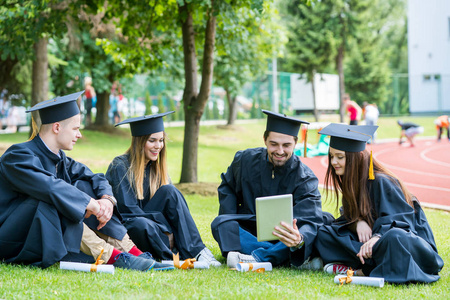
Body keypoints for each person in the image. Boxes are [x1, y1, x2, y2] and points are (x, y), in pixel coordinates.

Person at [0, 91, 173, 272]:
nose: (80, 134)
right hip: (13, 239)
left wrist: (106, 199)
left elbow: (95, 177)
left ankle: (131, 251)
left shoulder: (60, 159)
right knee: (54, 199)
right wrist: (91, 204)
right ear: (57, 128)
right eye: (75, 129)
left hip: (43, 236)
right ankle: (111, 256)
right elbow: (49, 186)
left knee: (84, 185)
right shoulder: (17, 156)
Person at [314, 123, 444, 283]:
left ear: (356, 157)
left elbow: (403, 222)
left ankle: (363, 271)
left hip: (411, 247)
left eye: (340, 157)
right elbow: (347, 213)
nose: (334, 162)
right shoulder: (352, 182)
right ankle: (371, 265)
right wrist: (358, 222)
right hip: (376, 248)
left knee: (393, 237)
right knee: (325, 232)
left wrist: (377, 237)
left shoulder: (383, 182)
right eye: (331, 156)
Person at [211, 110, 325, 269]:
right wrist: (231, 217)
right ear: (265, 140)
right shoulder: (244, 160)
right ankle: (285, 259)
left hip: (285, 236)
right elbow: (227, 187)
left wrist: (298, 238)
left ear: (295, 142)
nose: (280, 151)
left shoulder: (305, 177)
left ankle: (258, 257)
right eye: (274, 144)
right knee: (221, 223)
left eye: (286, 145)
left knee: (322, 222)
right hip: (251, 228)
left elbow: (309, 217)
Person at [106, 112, 221, 267]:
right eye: (152, 140)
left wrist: (163, 228)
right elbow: (129, 213)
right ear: (140, 142)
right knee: (141, 225)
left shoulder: (156, 168)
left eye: (161, 140)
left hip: (155, 229)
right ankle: (173, 254)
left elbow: (173, 208)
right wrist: (166, 229)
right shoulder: (120, 166)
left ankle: (198, 252)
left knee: (170, 191)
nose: (158, 146)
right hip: (131, 228)